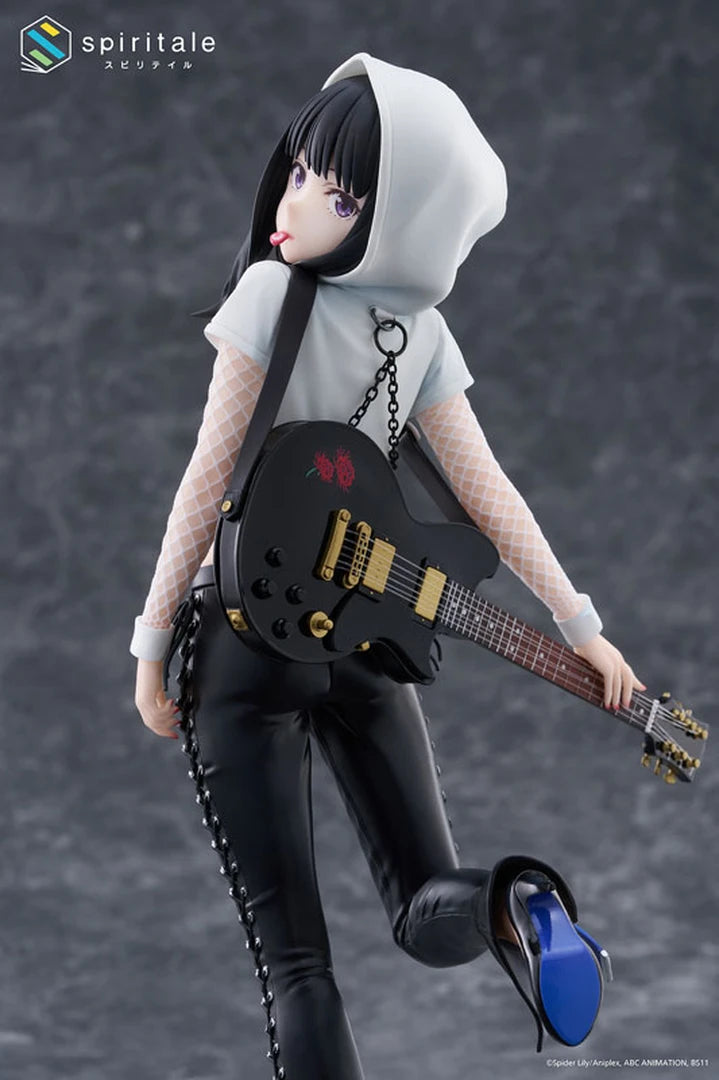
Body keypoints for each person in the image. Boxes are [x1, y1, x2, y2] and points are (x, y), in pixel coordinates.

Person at [131, 53, 644, 1080]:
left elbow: (206, 479)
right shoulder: (421, 334)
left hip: (247, 643)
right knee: (423, 905)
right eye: (297, 174)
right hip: (367, 635)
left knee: (296, 969)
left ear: (393, 220)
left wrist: (150, 641)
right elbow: (491, 497)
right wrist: (580, 625)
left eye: (335, 194)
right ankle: (510, 902)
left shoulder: (271, 294)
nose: (292, 204)